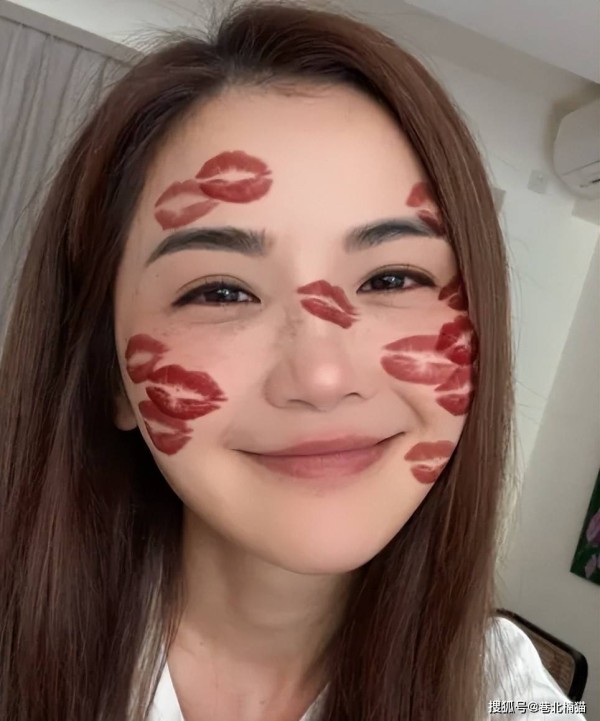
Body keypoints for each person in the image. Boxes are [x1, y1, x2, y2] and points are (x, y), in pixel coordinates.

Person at [0, 2, 587, 720]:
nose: (322, 377)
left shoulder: (506, 696)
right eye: (220, 291)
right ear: (109, 375)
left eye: (391, 278)